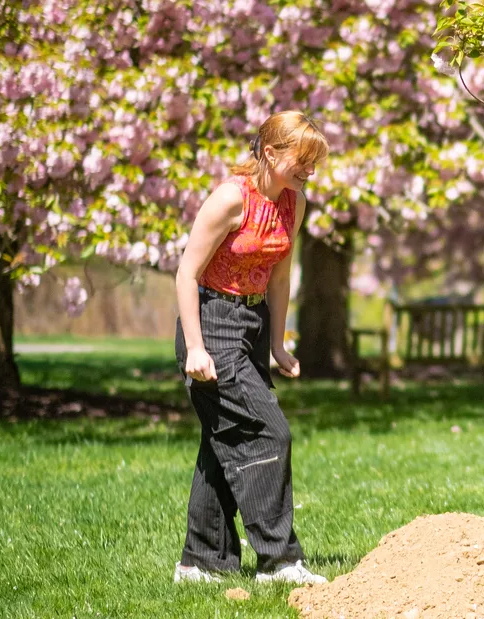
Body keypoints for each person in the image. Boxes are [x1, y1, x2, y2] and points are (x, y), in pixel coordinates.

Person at [171, 111, 329, 585]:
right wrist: (196, 348)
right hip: (212, 320)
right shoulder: (229, 199)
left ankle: (201, 564)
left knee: (222, 441)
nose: (309, 172)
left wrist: (278, 342)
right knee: (269, 431)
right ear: (270, 152)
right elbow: (186, 274)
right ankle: (279, 560)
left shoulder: (293, 203)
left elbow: (280, 273)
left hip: (253, 323)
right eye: (302, 161)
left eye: (314, 163)